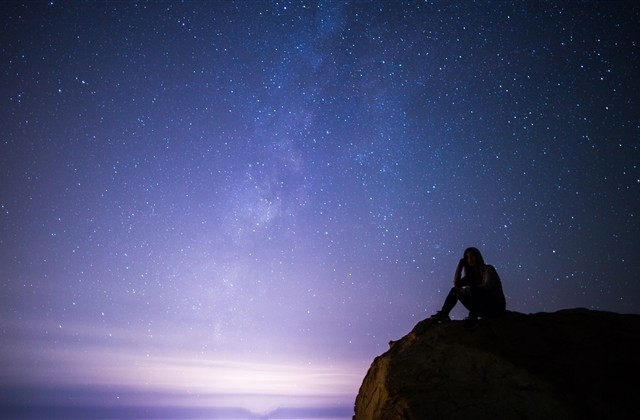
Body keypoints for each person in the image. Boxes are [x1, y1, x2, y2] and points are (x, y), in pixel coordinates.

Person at [431, 247, 506, 329]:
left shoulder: (488, 269)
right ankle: (444, 314)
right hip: (481, 307)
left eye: (472, 256)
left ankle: (472, 319)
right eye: (467, 257)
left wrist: (468, 290)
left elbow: (487, 287)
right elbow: (456, 284)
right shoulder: (471, 276)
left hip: (495, 306)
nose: (470, 259)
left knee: (474, 289)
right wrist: (460, 265)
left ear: (478, 256)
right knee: (455, 290)